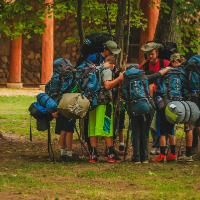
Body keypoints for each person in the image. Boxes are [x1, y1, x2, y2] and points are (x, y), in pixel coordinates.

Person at [121, 64, 171, 164]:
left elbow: (124, 95)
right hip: (146, 107)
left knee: (135, 132)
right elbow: (158, 74)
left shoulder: (126, 79)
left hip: (134, 108)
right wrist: (168, 68)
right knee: (144, 132)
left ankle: (137, 158)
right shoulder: (144, 76)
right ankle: (145, 158)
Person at [88, 55, 124, 163]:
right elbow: (107, 85)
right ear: (113, 65)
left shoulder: (95, 68)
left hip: (92, 102)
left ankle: (93, 155)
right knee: (107, 127)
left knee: (92, 128)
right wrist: (119, 78)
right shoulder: (108, 70)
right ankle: (111, 155)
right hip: (104, 102)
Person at [140, 42, 170, 155]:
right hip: (150, 98)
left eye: (152, 54)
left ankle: (162, 145)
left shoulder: (165, 63)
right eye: (148, 54)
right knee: (153, 122)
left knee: (162, 121)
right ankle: (156, 144)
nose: (150, 56)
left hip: (163, 97)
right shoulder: (145, 65)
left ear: (157, 53)